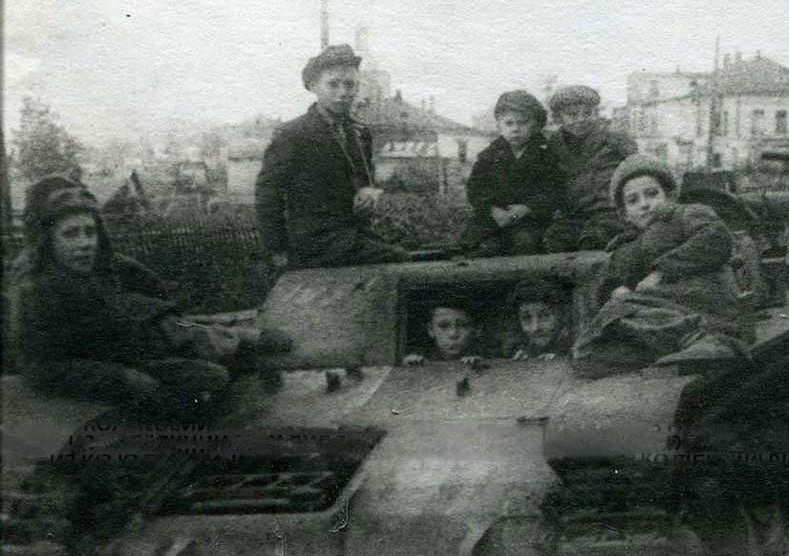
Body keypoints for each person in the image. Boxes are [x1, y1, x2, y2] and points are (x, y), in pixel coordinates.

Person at [7, 175, 290, 419]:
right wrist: (125, 379)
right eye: (71, 234)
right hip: (117, 366)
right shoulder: (36, 291)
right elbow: (41, 368)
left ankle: (231, 336)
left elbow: (157, 305)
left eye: (90, 232)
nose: (85, 243)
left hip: (148, 341)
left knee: (240, 356)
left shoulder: (106, 266)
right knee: (210, 381)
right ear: (48, 241)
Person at [572, 155, 755, 379]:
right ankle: (674, 348)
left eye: (652, 194)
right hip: (661, 307)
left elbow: (715, 239)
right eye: (633, 200)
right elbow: (610, 275)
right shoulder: (627, 245)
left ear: (671, 196)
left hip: (703, 296)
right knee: (588, 351)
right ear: (624, 214)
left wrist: (661, 272)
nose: (644, 204)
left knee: (624, 309)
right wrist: (614, 288)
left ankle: (711, 340)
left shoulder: (687, 214)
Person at [255, 44, 407, 270]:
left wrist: (367, 192)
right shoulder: (293, 134)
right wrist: (277, 249)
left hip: (352, 235)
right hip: (313, 242)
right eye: (333, 84)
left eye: (350, 84)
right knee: (400, 260)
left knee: (413, 254)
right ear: (313, 86)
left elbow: (364, 178)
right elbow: (268, 194)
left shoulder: (359, 132)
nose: (343, 92)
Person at [461, 90, 563, 257]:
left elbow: (553, 189)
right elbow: (476, 188)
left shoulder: (545, 155)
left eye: (522, 123)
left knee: (526, 244)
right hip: (494, 220)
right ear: (499, 126)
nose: (515, 129)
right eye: (509, 123)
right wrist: (493, 210)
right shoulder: (489, 155)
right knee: (483, 248)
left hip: (530, 221)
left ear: (535, 125)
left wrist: (528, 208)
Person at [542, 85, 638, 252]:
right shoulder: (555, 145)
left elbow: (637, 168)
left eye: (587, 113)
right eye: (572, 115)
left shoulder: (614, 138)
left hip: (611, 210)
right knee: (555, 241)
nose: (581, 119)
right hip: (574, 215)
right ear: (559, 118)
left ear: (596, 113)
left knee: (593, 241)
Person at [507, 278, 573, 360]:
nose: (535, 327)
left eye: (544, 316)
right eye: (526, 318)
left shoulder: (577, 347)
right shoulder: (525, 350)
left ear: (561, 316)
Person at [403, 301, 482, 365]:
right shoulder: (419, 359)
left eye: (463, 325)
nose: (453, 334)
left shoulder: (484, 358)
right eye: (443, 326)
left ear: (477, 329)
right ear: (430, 329)